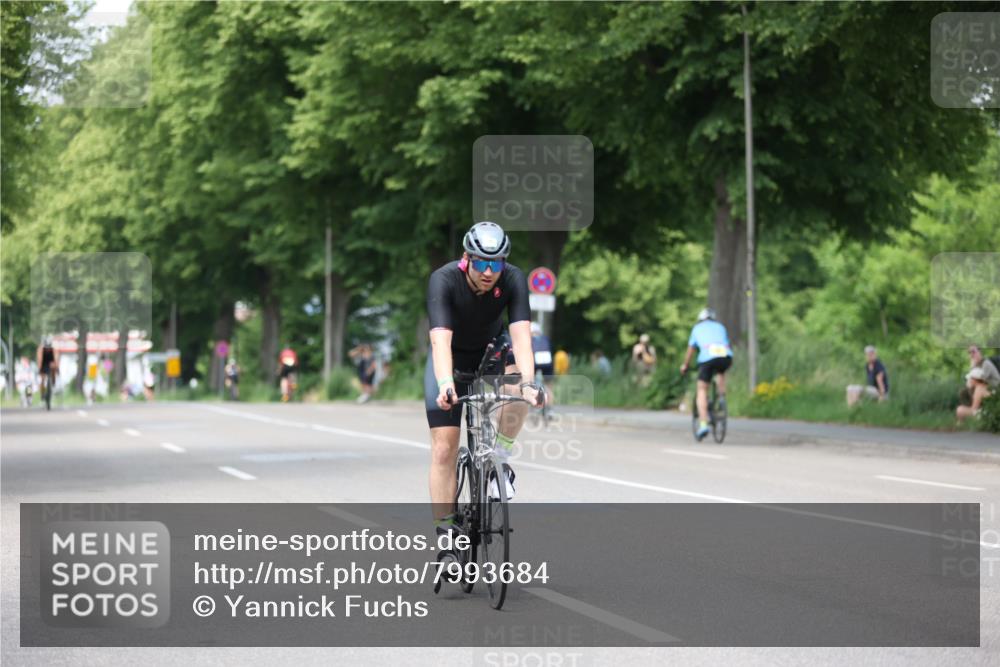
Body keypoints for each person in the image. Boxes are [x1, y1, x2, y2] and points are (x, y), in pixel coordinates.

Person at [425, 221, 543, 539]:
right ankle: (446, 535)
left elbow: (521, 339)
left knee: (521, 388)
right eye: (480, 262)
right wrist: (446, 384)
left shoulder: (514, 279)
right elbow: (440, 341)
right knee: (444, 449)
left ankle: (499, 463)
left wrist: (530, 383)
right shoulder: (444, 280)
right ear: (467, 258)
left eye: (496, 263)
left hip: (491, 352)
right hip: (451, 359)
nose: (488, 271)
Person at [680, 308, 733, 441]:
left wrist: (685, 365)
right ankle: (721, 397)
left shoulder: (697, 328)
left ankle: (703, 424)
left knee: (702, 389)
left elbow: (691, 349)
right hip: (725, 356)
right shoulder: (720, 326)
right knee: (721, 372)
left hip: (707, 357)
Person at [35, 336, 59, 400]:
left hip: (51, 363)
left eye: (49, 347)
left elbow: (56, 359)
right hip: (43, 364)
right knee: (42, 379)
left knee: (53, 370)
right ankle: (42, 392)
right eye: (46, 347)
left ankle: (53, 385)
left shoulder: (54, 349)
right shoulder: (40, 349)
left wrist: (57, 368)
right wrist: (39, 369)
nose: (48, 349)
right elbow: (39, 359)